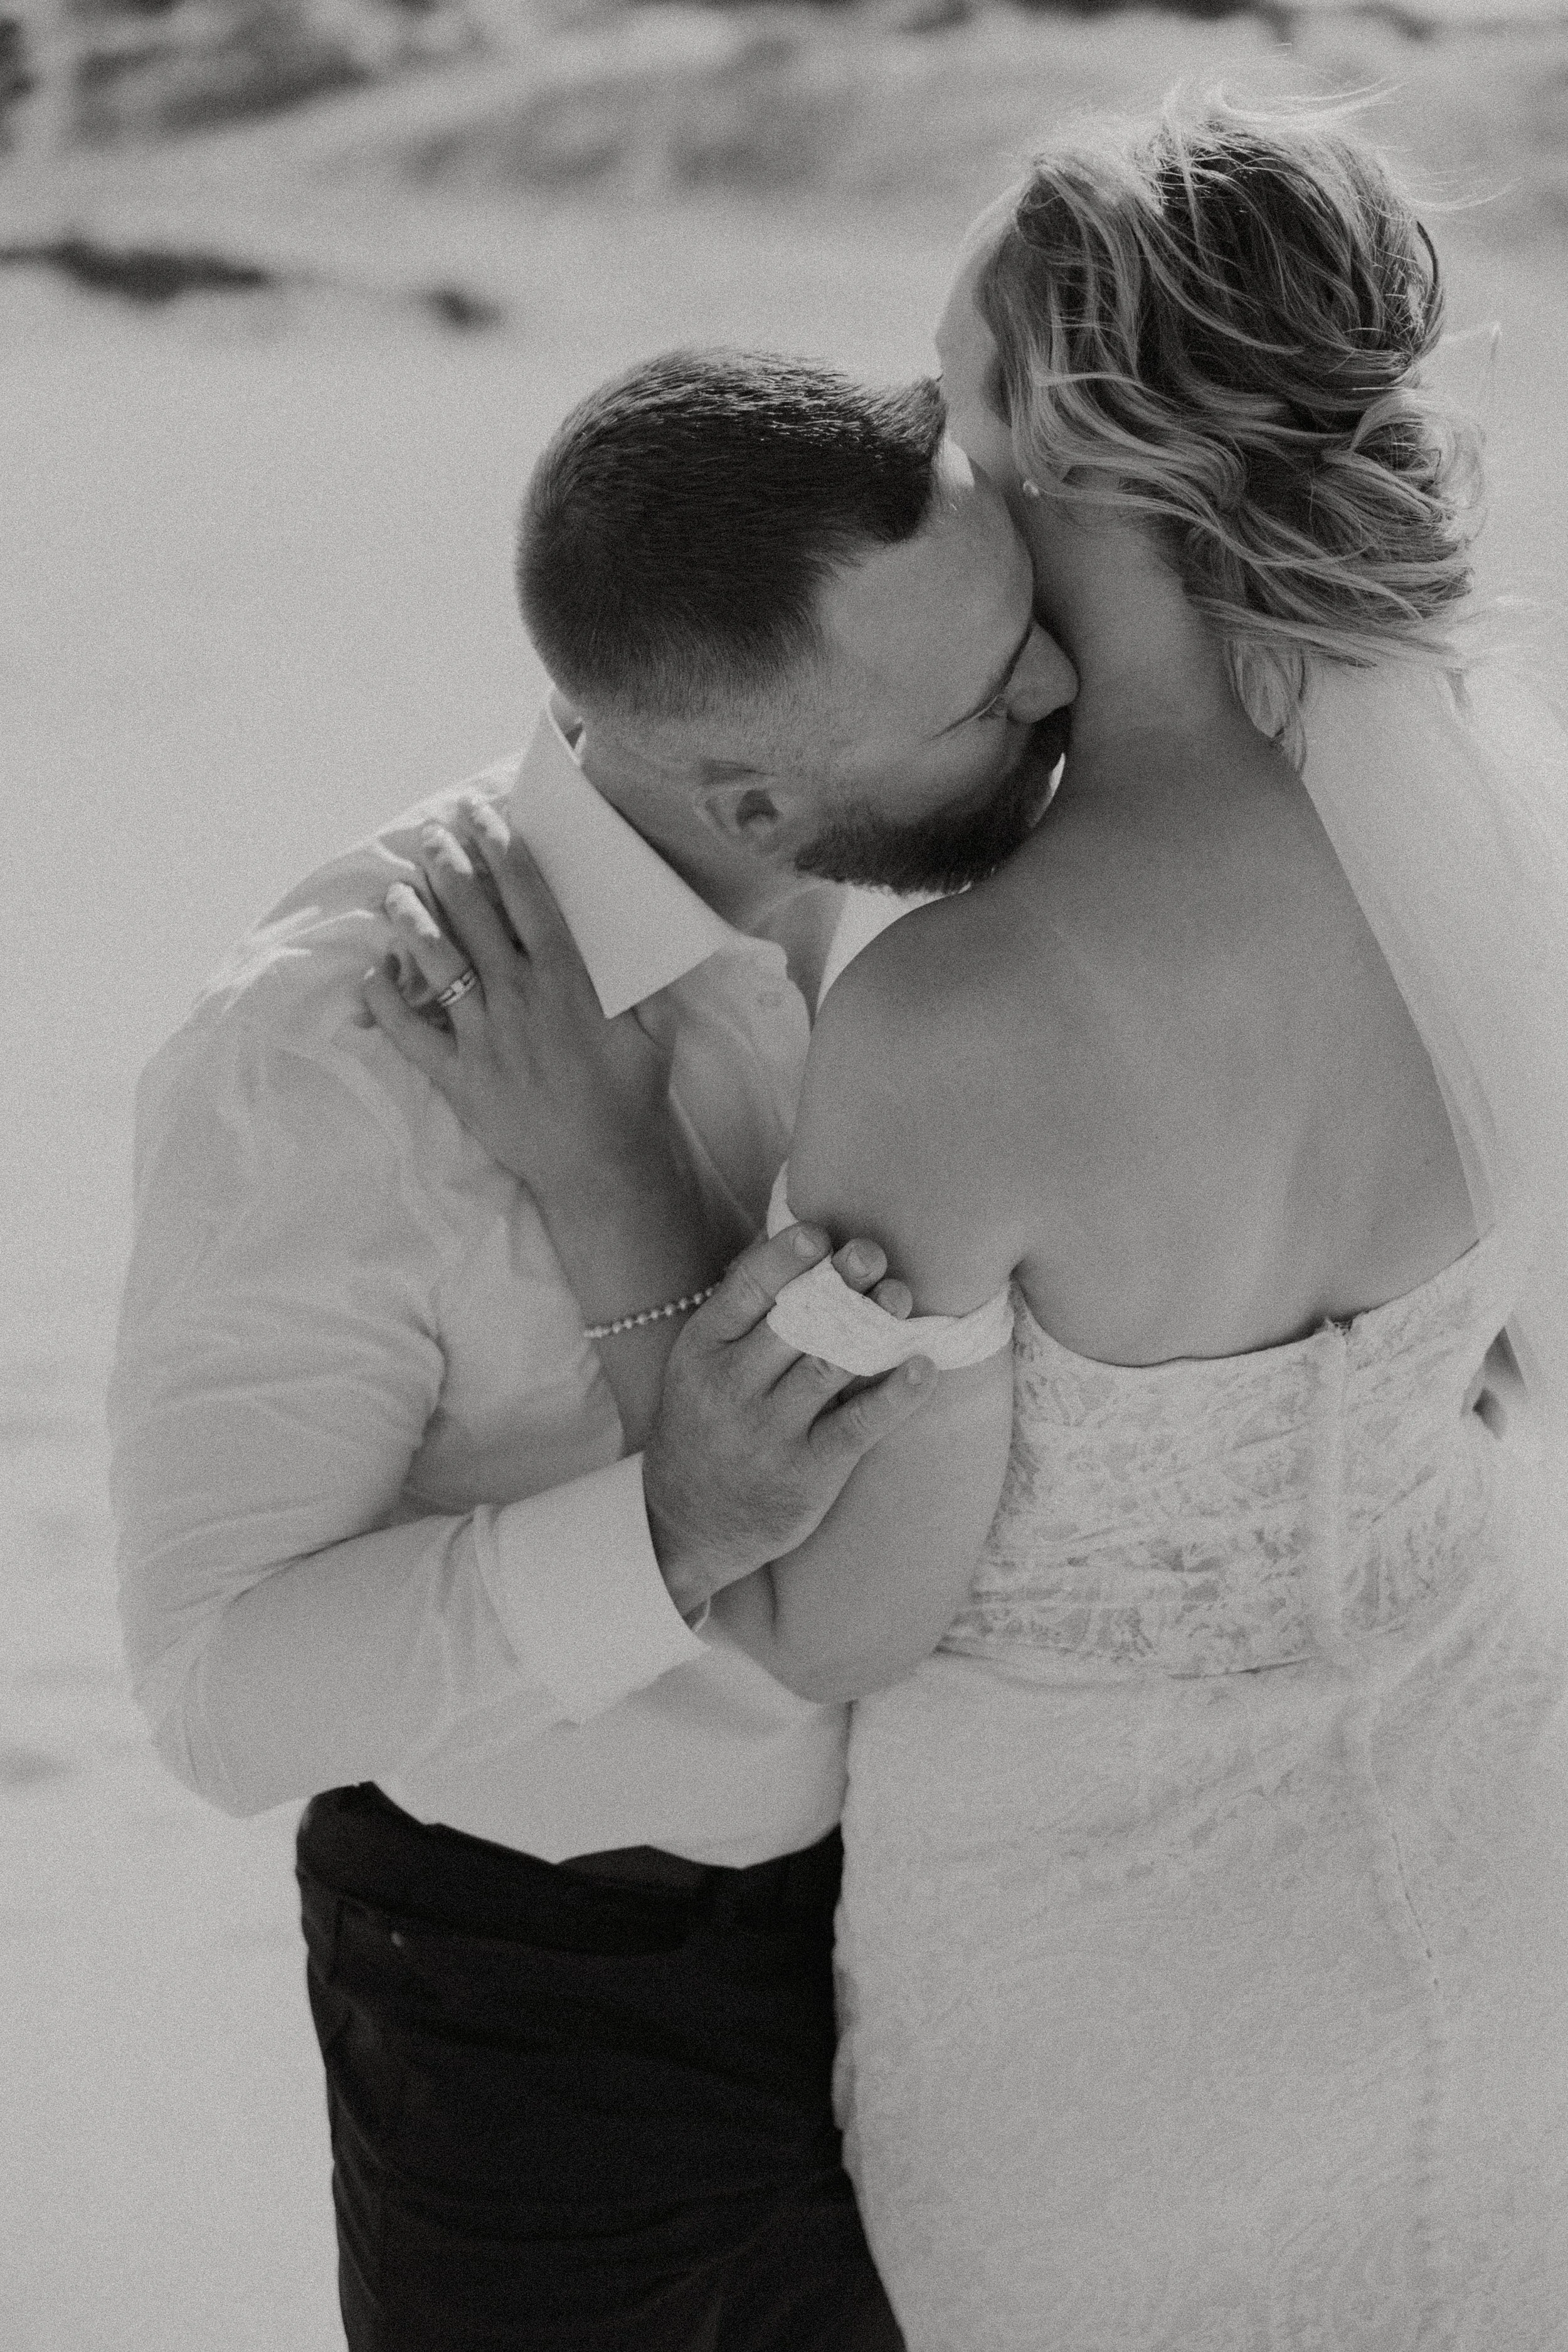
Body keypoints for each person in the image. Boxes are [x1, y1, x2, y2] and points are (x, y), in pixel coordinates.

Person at [388, 98, 1568, 2348]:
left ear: (1057, 430)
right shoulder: (1476, 870)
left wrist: (596, 1165)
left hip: (1113, 1994)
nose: (912, 441)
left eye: (941, 404)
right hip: (1490, 1867)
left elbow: (834, 1611)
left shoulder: (965, 1018)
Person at [106, 352, 1080, 2351]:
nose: (1057, 696)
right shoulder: (331, 1056)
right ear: (750, 795)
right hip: (545, 2030)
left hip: (961, 1940)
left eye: (1027, 630)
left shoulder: (955, 914)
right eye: (990, 696)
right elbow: (217, 1686)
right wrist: (661, 1533)